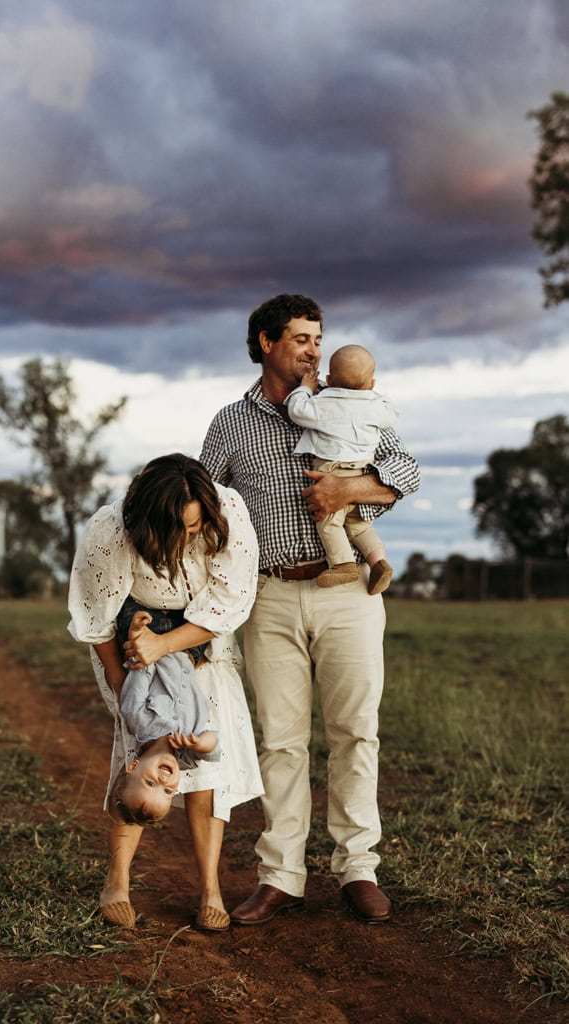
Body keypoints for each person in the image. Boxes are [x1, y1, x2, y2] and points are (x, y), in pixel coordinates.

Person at [200, 294, 419, 925]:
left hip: (349, 592)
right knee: (282, 741)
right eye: (300, 338)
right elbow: (205, 508)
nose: (313, 351)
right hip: (267, 594)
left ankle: (358, 869)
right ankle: (281, 877)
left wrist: (350, 487)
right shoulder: (229, 424)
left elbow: (406, 469)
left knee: (356, 733)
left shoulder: (345, 402)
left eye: (318, 339)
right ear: (266, 343)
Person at [68, 453, 263, 932]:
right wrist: (125, 688)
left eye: (197, 528)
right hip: (134, 637)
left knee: (206, 774)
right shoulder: (112, 529)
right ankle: (117, 880)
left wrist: (165, 645)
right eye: (180, 529)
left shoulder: (228, 512)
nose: (190, 538)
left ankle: (211, 888)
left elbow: (227, 603)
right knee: (139, 759)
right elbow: (96, 620)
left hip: (202, 634)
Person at [284, 343, 397, 594]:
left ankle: (343, 564)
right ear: (372, 383)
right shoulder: (375, 406)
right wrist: (373, 396)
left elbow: (297, 411)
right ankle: (379, 562)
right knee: (359, 524)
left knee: (328, 521)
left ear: (329, 379)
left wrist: (305, 389)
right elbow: (390, 415)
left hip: (332, 471)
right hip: (361, 472)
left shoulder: (324, 402)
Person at [114, 606, 220, 823]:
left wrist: (137, 634)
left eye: (150, 783)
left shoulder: (138, 719)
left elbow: (141, 667)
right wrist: (201, 744)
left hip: (155, 633)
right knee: (205, 607)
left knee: (155, 597)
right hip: (190, 648)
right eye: (168, 791)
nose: (163, 780)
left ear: (133, 766)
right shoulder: (187, 755)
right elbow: (214, 745)